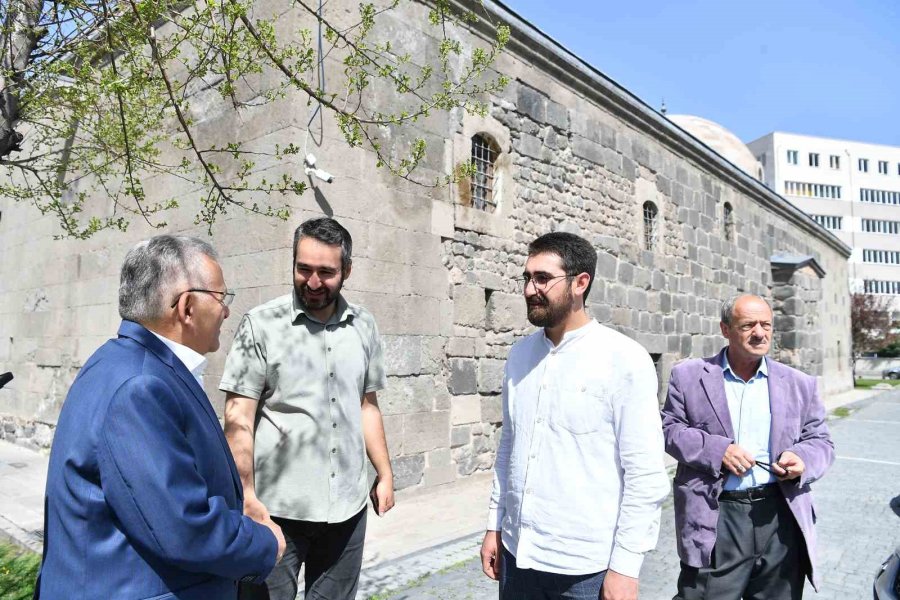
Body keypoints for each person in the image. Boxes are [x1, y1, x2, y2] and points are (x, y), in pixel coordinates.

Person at [35, 235, 285, 600]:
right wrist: (264, 543)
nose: (227, 311)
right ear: (186, 307)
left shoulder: (130, 365)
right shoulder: (139, 387)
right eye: (220, 298)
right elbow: (184, 527)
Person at [480, 232, 670, 600]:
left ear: (581, 282)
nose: (529, 289)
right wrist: (494, 526)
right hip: (518, 558)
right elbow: (510, 449)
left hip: (586, 569)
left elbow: (645, 473)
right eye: (527, 277)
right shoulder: (519, 356)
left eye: (543, 278)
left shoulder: (624, 359)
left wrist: (625, 567)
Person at [220, 217, 394, 600]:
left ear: (346, 270)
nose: (313, 282)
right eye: (304, 269)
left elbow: (367, 405)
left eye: (326, 272)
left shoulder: (364, 326)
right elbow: (239, 418)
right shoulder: (260, 326)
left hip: (346, 511)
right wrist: (246, 495)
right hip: (275, 511)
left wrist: (384, 473)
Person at [661, 294, 834, 599]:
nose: (759, 332)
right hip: (718, 512)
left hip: (781, 514)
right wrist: (718, 450)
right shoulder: (688, 376)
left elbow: (820, 441)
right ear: (725, 329)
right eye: (748, 325)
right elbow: (670, 429)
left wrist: (801, 459)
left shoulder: (799, 383)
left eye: (766, 325)